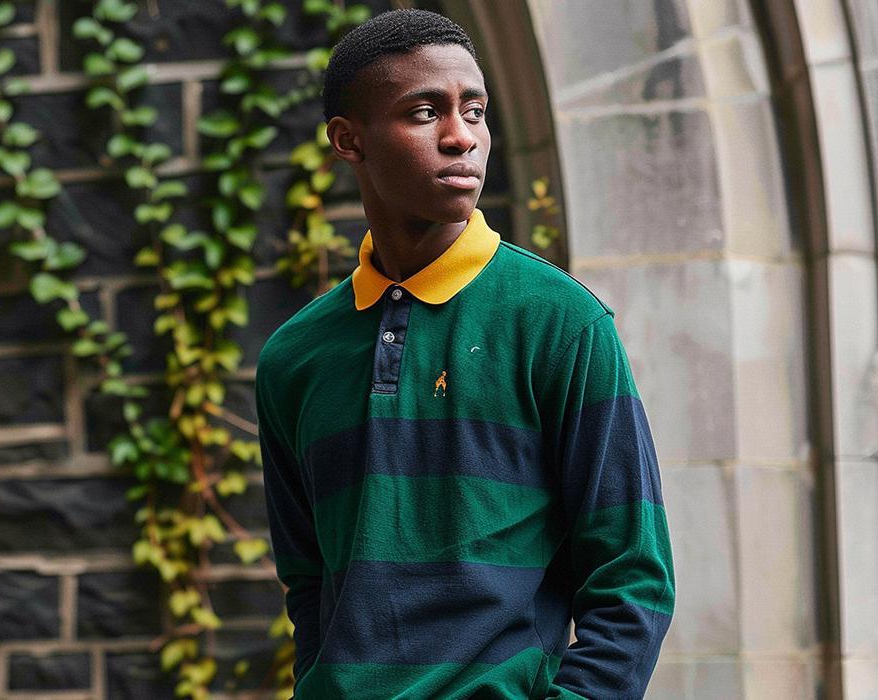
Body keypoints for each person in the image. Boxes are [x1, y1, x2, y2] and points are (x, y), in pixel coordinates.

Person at [256, 9, 674, 700]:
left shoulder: (560, 321)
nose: (462, 137)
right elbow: (309, 583)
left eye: (474, 111)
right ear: (348, 140)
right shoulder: (293, 359)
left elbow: (633, 578)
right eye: (425, 112)